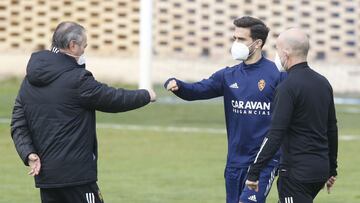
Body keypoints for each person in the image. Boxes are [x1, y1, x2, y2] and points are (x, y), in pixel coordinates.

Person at [10, 21, 156, 203]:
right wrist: (146, 95)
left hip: (47, 176)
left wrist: (28, 153)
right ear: (72, 46)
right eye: (84, 46)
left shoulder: (28, 81)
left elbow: (18, 123)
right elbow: (112, 98)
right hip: (76, 176)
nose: (84, 52)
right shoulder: (77, 79)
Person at [165, 16, 284, 203]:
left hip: (263, 163)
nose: (236, 43)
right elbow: (197, 90)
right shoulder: (228, 75)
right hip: (235, 161)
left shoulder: (277, 76)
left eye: (242, 39)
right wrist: (178, 86)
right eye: (235, 38)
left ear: (258, 43)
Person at [245, 28, 338, 203]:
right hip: (319, 170)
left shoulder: (287, 87)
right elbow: (331, 129)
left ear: (286, 53)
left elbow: (275, 133)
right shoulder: (323, 83)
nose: (276, 55)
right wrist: (332, 168)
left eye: (277, 49)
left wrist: (254, 171)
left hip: (297, 173)